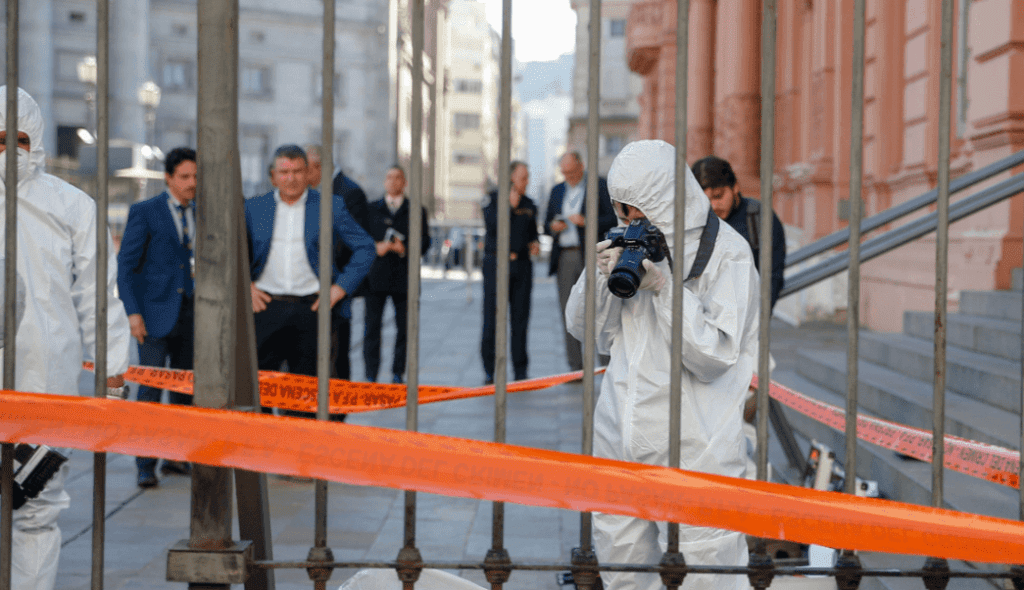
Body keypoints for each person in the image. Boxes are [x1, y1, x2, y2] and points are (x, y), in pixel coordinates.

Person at [566, 140, 759, 590]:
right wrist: (598, 275)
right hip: (622, 431)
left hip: (698, 440)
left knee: (708, 568)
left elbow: (713, 356)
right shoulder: (628, 249)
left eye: (639, 213)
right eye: (623, 213)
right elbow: (586, 331)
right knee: (622, 564)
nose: (631, 223)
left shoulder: (727, 253)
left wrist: (667, 289)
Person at [0, 86, 131, 590]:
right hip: (48, 380)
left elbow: (98, 296)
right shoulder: (73, 204)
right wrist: (113, 374)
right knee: (36, 506)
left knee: (37, 503)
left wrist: (113, 371)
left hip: (48, 383)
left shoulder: (73, 206)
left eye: (19, 136)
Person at [246, 144, 374, 417]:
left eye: (297, 171)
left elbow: (366, 247)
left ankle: (297, 454)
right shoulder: (254, 208)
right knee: (260, 391)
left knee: (305, 394)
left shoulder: (331, 206)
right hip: (266, 308)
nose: (290, 178)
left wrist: (340, 289)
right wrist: (247, 287)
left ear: (308, 174)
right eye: (284, 172)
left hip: (312, 310)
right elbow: (232, 253)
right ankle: (262, 453)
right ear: (273, 176)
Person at [117, 147, 197, 487]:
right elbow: (126, 267)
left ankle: (177, 458)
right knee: (149, 392)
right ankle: (145, 465)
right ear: (168, 178)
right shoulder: (145, 211)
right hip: (153, 316)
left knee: (185, 392)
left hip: (191, 316)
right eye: (185, 177)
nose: (192, 183)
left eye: (196, 176)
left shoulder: (201, 212)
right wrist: (133, 313)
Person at [543, 151, 617, 372]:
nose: (569, 177)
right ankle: (575, 367)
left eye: (573, 173)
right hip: (565, 254)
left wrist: (587, 221)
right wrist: (553, 227)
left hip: (593, 255)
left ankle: (606, 366)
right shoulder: (557, 191)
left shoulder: (599, 186)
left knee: (600, 308)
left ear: (581, 166)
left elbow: (612, 218)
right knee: (569, 310)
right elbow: (546, 220)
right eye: (565, 173)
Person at [304, 144, 369, 380]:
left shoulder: (349, 192)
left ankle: (336, 413)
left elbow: (354, 244)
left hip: (336, 288)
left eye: (305, 170)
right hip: (309, 289)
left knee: (337, 353)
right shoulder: (310, 193)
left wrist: (339, 285)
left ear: (317, 167)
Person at [362, 166, 430, 383]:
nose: (393, 182)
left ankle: (397, 373)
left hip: (404, 278)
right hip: (376, 277)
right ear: (384, 181)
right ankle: (371, 373)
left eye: (398, 178)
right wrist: (376, 246)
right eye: (389, 177)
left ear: (404, 182)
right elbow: (359, 239)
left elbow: (425, 242)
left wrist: (406, 248)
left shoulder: (416, 210)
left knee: (405, 328)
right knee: (372, 328)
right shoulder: (371, 208)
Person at [692, 155, 786, 311]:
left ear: (735, 187)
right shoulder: (691, 220)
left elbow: (772, 277)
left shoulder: (758, 218)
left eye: (718, 196)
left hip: (745, 317)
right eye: (704, 199)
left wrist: (755, 321)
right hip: (699, 320)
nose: (714, 205)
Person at [481, 161, 539, 384]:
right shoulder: (492, 199)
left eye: (527, 178)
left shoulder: (530, 204)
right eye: (523, 178)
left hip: (522, 266)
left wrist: (534, 243)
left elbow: (533, 232)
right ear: (511, 178)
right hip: (496, 265)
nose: (526, 182)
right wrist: (508, 208)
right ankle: (489, 369)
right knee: (492, 319)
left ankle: (520, 370)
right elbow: (491, 225)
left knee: (520, 320)